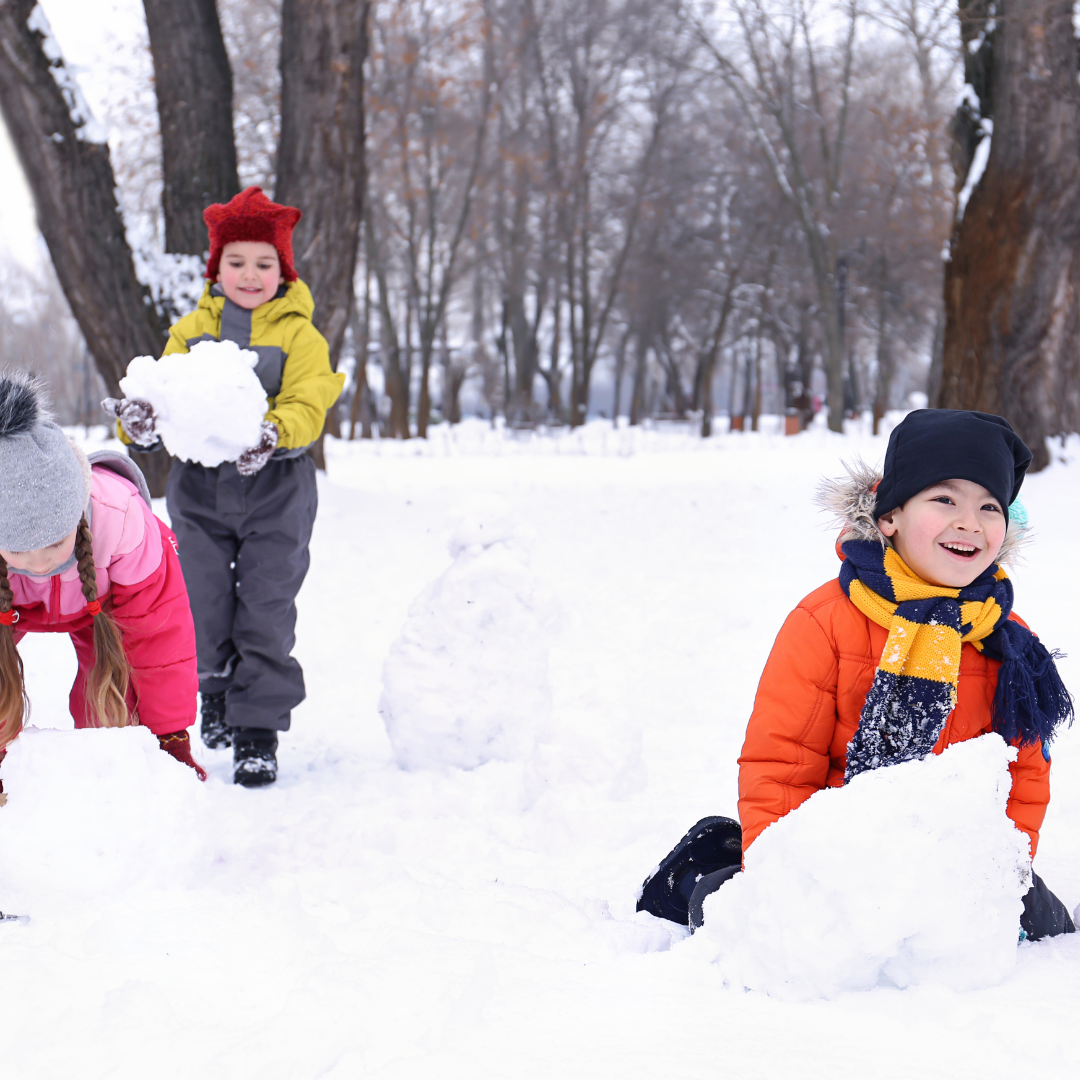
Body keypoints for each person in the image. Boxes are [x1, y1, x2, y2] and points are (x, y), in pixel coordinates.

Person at [638, 409, 1075, 941]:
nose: (970, 522)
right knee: (741, 915)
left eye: (990, 506)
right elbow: (782, 763)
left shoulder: (1008, 639)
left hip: (949, 857)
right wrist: (794, 876)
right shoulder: (825, 622)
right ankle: (701, 866)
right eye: (945, 500)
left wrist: (998, 873)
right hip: (832, 853)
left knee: (1046, 925)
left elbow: (1025, 774)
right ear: (889, 516)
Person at [105, 187, 344, 787]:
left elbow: (311, 399)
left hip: (278, 487)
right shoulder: (190, 331)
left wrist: (273, 432)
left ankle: (257, 729)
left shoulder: (300, 336)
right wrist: (139, 422)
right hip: (201, 490)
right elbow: (161, 396)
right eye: (236, 261)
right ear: (216, 268)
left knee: (265, 607)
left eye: (265, 263)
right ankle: (212, 685)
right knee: (201, 598)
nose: (250, 274)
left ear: (283, 270)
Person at [0, 373, 203, 797]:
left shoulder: (121, 520)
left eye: (55, 544)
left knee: (113, 708)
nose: (39, 564)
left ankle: (118, 781)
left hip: (103, 607)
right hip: (12, 607)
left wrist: (168, 735)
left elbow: (158, 636)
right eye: (18, 552)